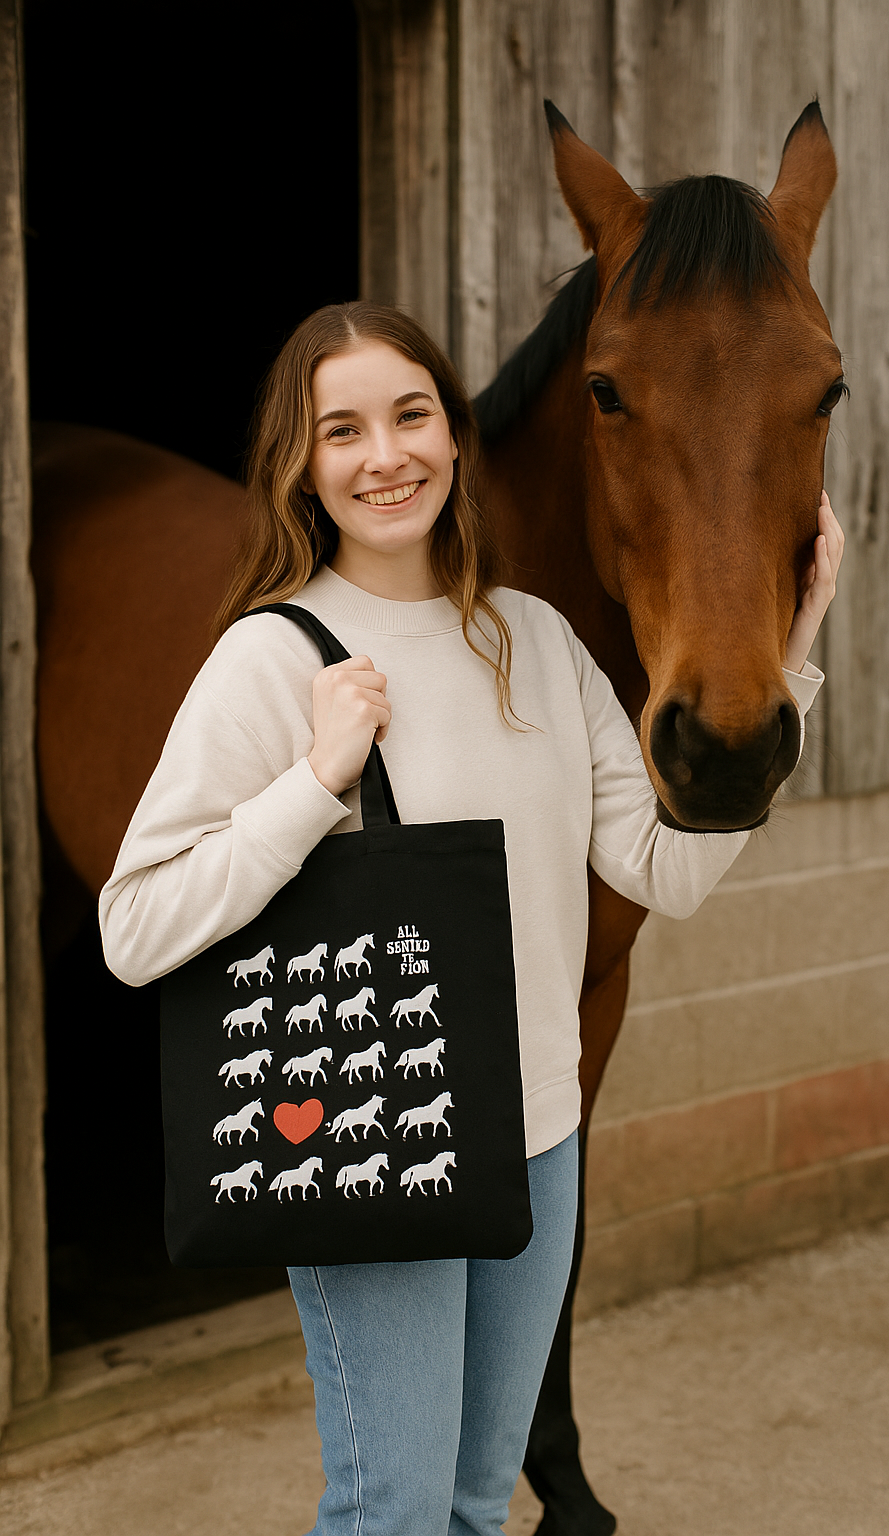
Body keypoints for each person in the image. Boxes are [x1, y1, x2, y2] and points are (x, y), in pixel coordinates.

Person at [99, 301, 843, 1536]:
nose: (383, 454)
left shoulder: (540, 643)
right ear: (304, 462)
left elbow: (668, 872)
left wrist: (793, 656)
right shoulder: (271, 662)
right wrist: (311, 782)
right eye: (342, 429)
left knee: (469, 1502)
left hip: (541, 1143)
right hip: (374, 1129)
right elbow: (136, 927)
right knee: (390, 1508)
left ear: (454, 435)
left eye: (409, 415)